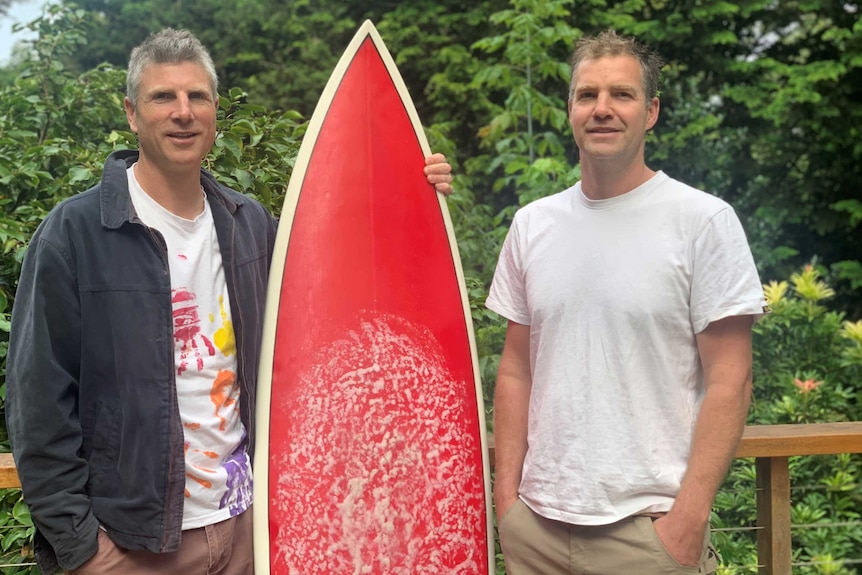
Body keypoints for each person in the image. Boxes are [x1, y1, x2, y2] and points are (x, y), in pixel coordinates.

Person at [5, 28, 453, 575]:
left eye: (197, 96)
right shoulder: (73, 234)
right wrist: (84, 551)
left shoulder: (250, 227)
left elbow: (342, 286)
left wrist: (411, 191)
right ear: (131, 112)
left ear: (215, 109)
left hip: (247, 530)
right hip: (134, 544)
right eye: (162, 97)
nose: (182, 112)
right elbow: (37, 406)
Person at [486, 29, 767, 575]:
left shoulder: (702, 222)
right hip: (536, 529)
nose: (602, 110)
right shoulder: (532, 225)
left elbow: (731, 379)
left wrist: (686, 522)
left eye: (622, 94)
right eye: (587, 95)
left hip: (649, 534)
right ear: (570, 108)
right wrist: (507, 507)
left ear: (652, 111)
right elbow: (516, 369)